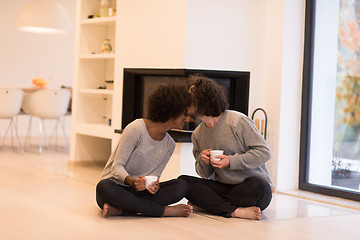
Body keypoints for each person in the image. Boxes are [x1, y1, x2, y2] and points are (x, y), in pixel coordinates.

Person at [178, 74, 273, 220]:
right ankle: (234, 211)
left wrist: (230, 161)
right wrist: (203, 161)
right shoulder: (197, 134)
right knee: (184, 182)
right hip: (224, 188)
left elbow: (264, 152)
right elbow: (204, 175)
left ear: (203, 100)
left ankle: (209, 205)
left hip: (250, 187)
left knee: (258, 186)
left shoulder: (237, 121)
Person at [96, 83, 193, 218]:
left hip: (139, 194)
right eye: (184, 113)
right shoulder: (136, 128)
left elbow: (154, 177)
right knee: (104, 187)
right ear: (173, 111)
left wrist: (153, 187)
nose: (187, 118)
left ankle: (122, 211)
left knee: (181, 186)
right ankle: (163, 211)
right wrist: (133, 182)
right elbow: (117, 167)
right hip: (117, 189)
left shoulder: (170, 144)